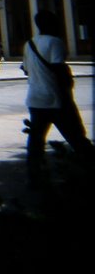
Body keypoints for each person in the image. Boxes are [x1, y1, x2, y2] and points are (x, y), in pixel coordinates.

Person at [22, 10, 94, 183]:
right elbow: (59, 70)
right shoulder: (55, 42)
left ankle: (34, 175)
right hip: (55, 99)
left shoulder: (29, 44)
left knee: (36, 140)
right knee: (76, 137)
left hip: (35, 99)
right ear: (51, 24)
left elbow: (25, 69)